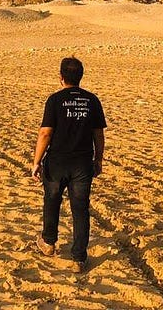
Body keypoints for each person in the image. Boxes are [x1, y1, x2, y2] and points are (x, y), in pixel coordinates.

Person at [31, 56, 107, 273]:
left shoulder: (54, 100)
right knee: (80, 208)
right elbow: (98, 134)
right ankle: (79, 258)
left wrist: (36, 161)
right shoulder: (91, 100)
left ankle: (48, 242)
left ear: (61, 77)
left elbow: (45, 132)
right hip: (82, 163)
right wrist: (98, 160)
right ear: (80, 76)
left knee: (52, 200)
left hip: (57, 162)